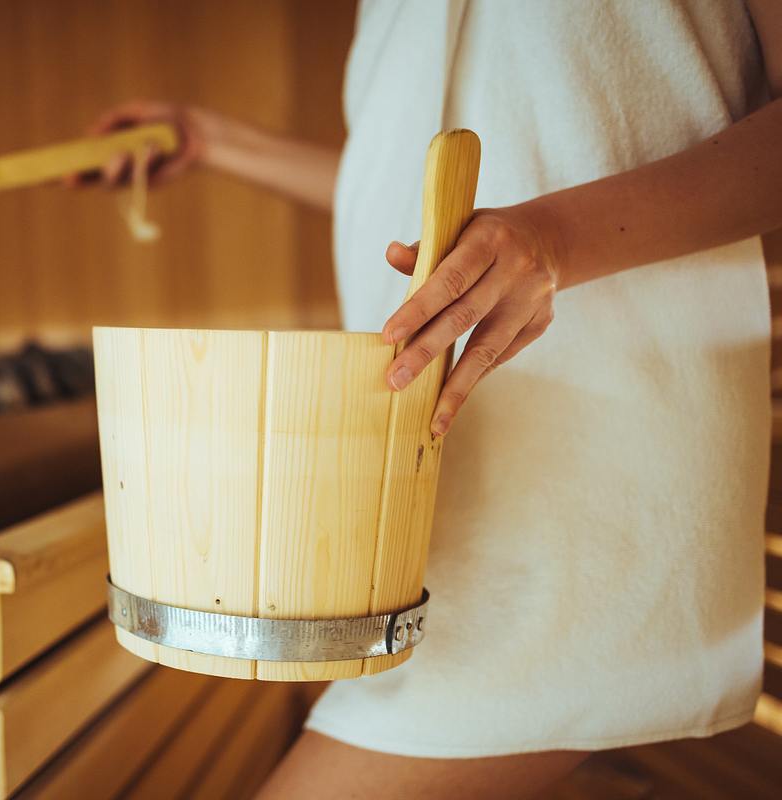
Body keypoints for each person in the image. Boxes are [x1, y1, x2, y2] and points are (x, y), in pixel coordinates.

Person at [76, 1, 782, 797]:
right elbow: (414, 205)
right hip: (411, 494)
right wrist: (219, 143)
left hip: (601, 464)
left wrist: (555, 241)